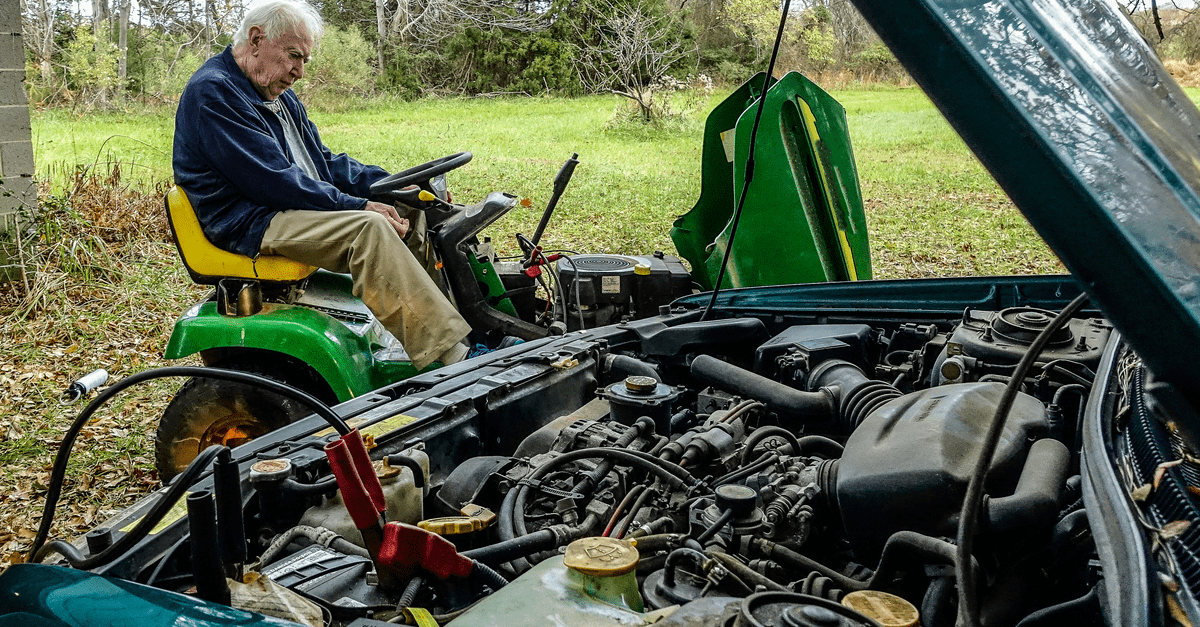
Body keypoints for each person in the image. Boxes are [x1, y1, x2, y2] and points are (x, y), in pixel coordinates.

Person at [172, 0, 473, 369]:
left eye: (305, 61)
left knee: (411, 208)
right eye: (293, 56)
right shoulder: (214, 93)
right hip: (249, 220)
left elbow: (324, 163)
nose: (298, 71)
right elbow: (275, 182)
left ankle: (458, 326)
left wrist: (392, 185)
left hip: (281, 204)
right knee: (370, 229)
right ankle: (452, 359)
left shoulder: (276, 94)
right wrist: (358, 205)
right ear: (255, 40)